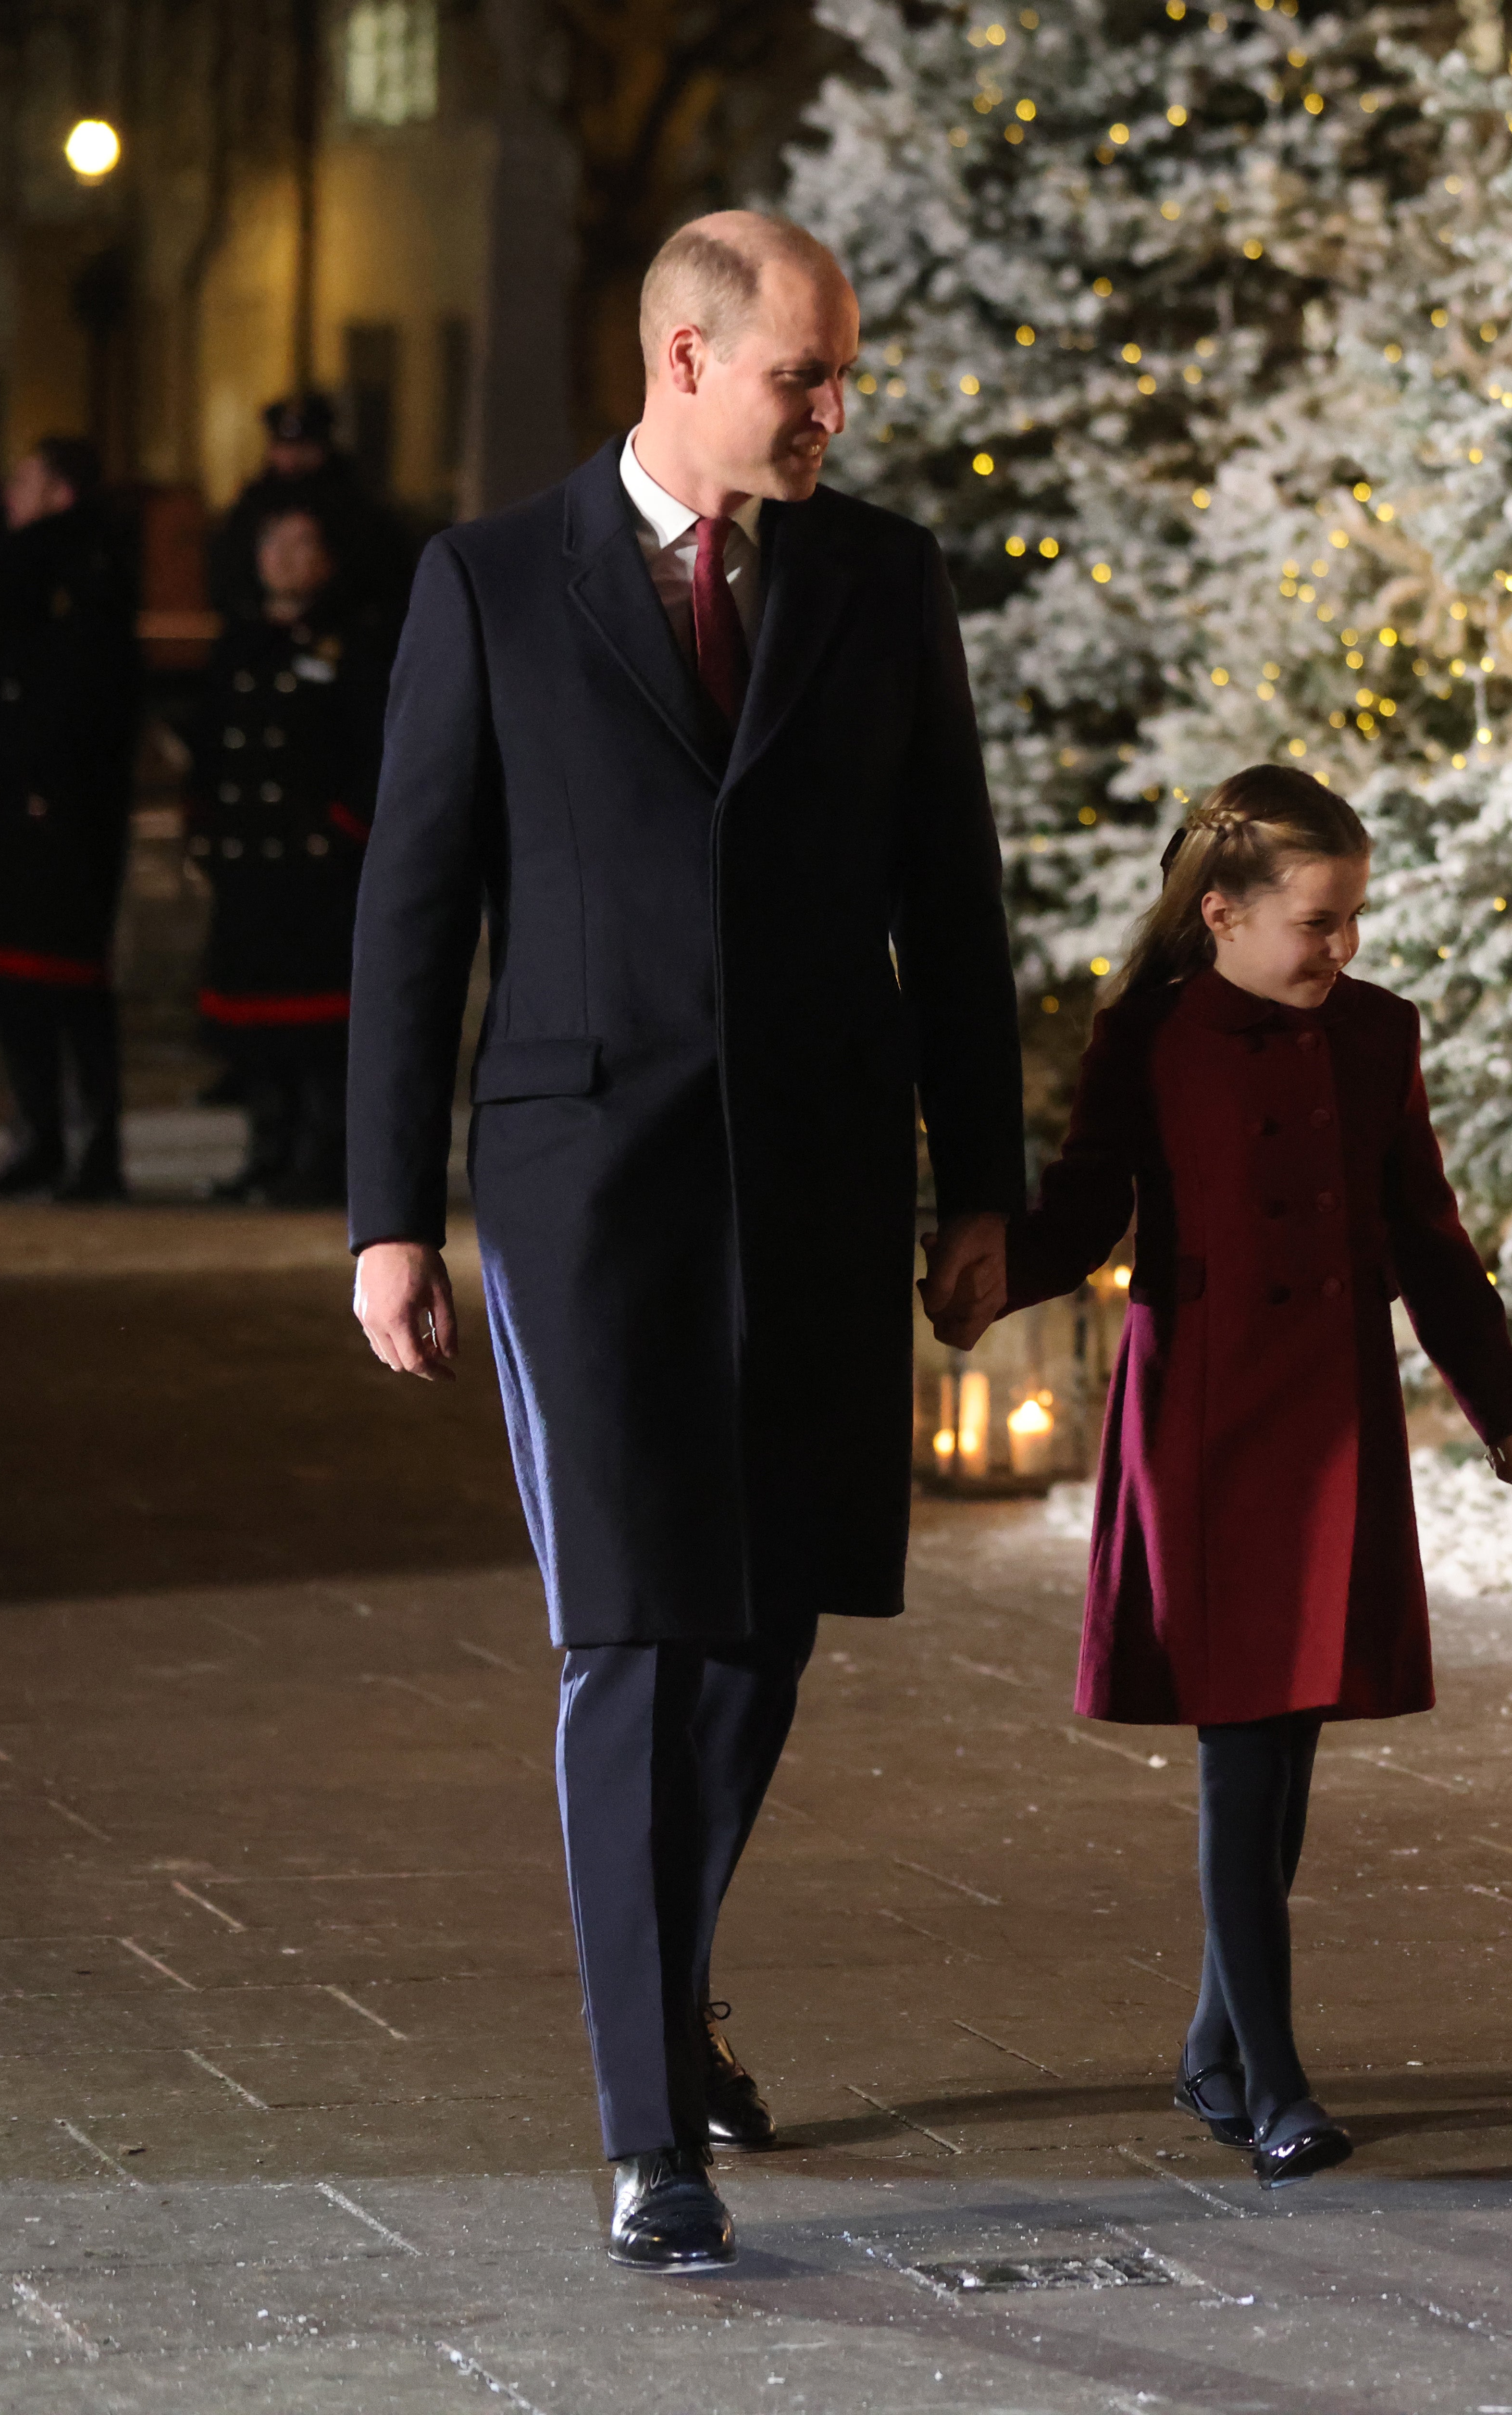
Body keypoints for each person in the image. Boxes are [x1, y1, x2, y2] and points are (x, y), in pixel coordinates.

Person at [346, 212, 1025, 2273]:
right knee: (632, 1626)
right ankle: (651, 2126)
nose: (836, 410)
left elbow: (955, 900)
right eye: (802, 375)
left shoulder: (881, 578)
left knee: (771, 1616)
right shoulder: (487, 584)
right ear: (680, 357)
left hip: (819, 1172)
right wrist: (388, 1218)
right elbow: (411, 911)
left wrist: (978, 1182)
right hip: (583, 1183)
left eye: (841, 378)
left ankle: (672, 1959)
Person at [950, 766, 1512, 2190]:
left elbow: (1426, 1234)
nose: (1339, 950)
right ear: (1220, 915)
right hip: (1207, 1420)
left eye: (1351, 922)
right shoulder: (1148, 1038)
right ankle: (1270, 2077)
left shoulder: (1374, 1036)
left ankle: (1221, 2044)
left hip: (1330, 1416)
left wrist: (1503, 1402)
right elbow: (1090, 1206)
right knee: (1243, 1750)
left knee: (1288, 1754)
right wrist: (990, 1280)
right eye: (1316, 922)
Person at [0, 438, 141, 1199]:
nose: (7, 493)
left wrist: (48, 783)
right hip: (16, 800)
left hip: (65, 812)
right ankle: (39, 1137)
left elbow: (83, 694)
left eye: (24, 480)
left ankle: (95, 1147)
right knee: (11, 979)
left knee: (71, 982)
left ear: (60, 492)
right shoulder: (21, 571)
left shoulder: (83, 570)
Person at [187, 506, 382, 1205]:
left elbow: (379, 746)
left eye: (304, 543)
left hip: (315, 866)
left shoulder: (352, 643)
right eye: (275, 543)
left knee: (318, 1029)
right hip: (250, 862)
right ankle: (266, 1152)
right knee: (254, 1022)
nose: (286, 556)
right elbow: (210, 745)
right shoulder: (240, 641)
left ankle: (321, 1159)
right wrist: (203, 827)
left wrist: (339, 828)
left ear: (328, 560)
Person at [207, 393, 411, 631]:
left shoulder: (354, 506)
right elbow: (229, 567)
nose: (291, 458)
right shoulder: (254, 503)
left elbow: (379, 578)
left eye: (303, 447)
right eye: (283, 447)